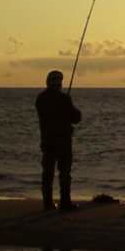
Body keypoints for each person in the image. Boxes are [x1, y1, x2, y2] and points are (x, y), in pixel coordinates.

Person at [35, 69, 82, 211]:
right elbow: (76, 118)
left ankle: (47, 203)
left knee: (47, 174)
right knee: (65, 173)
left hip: (47, 141)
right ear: (60, 83)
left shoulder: (41, 99)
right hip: (63, 142)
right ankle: (65, 203)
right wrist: (67, 104)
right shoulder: (64, 99)